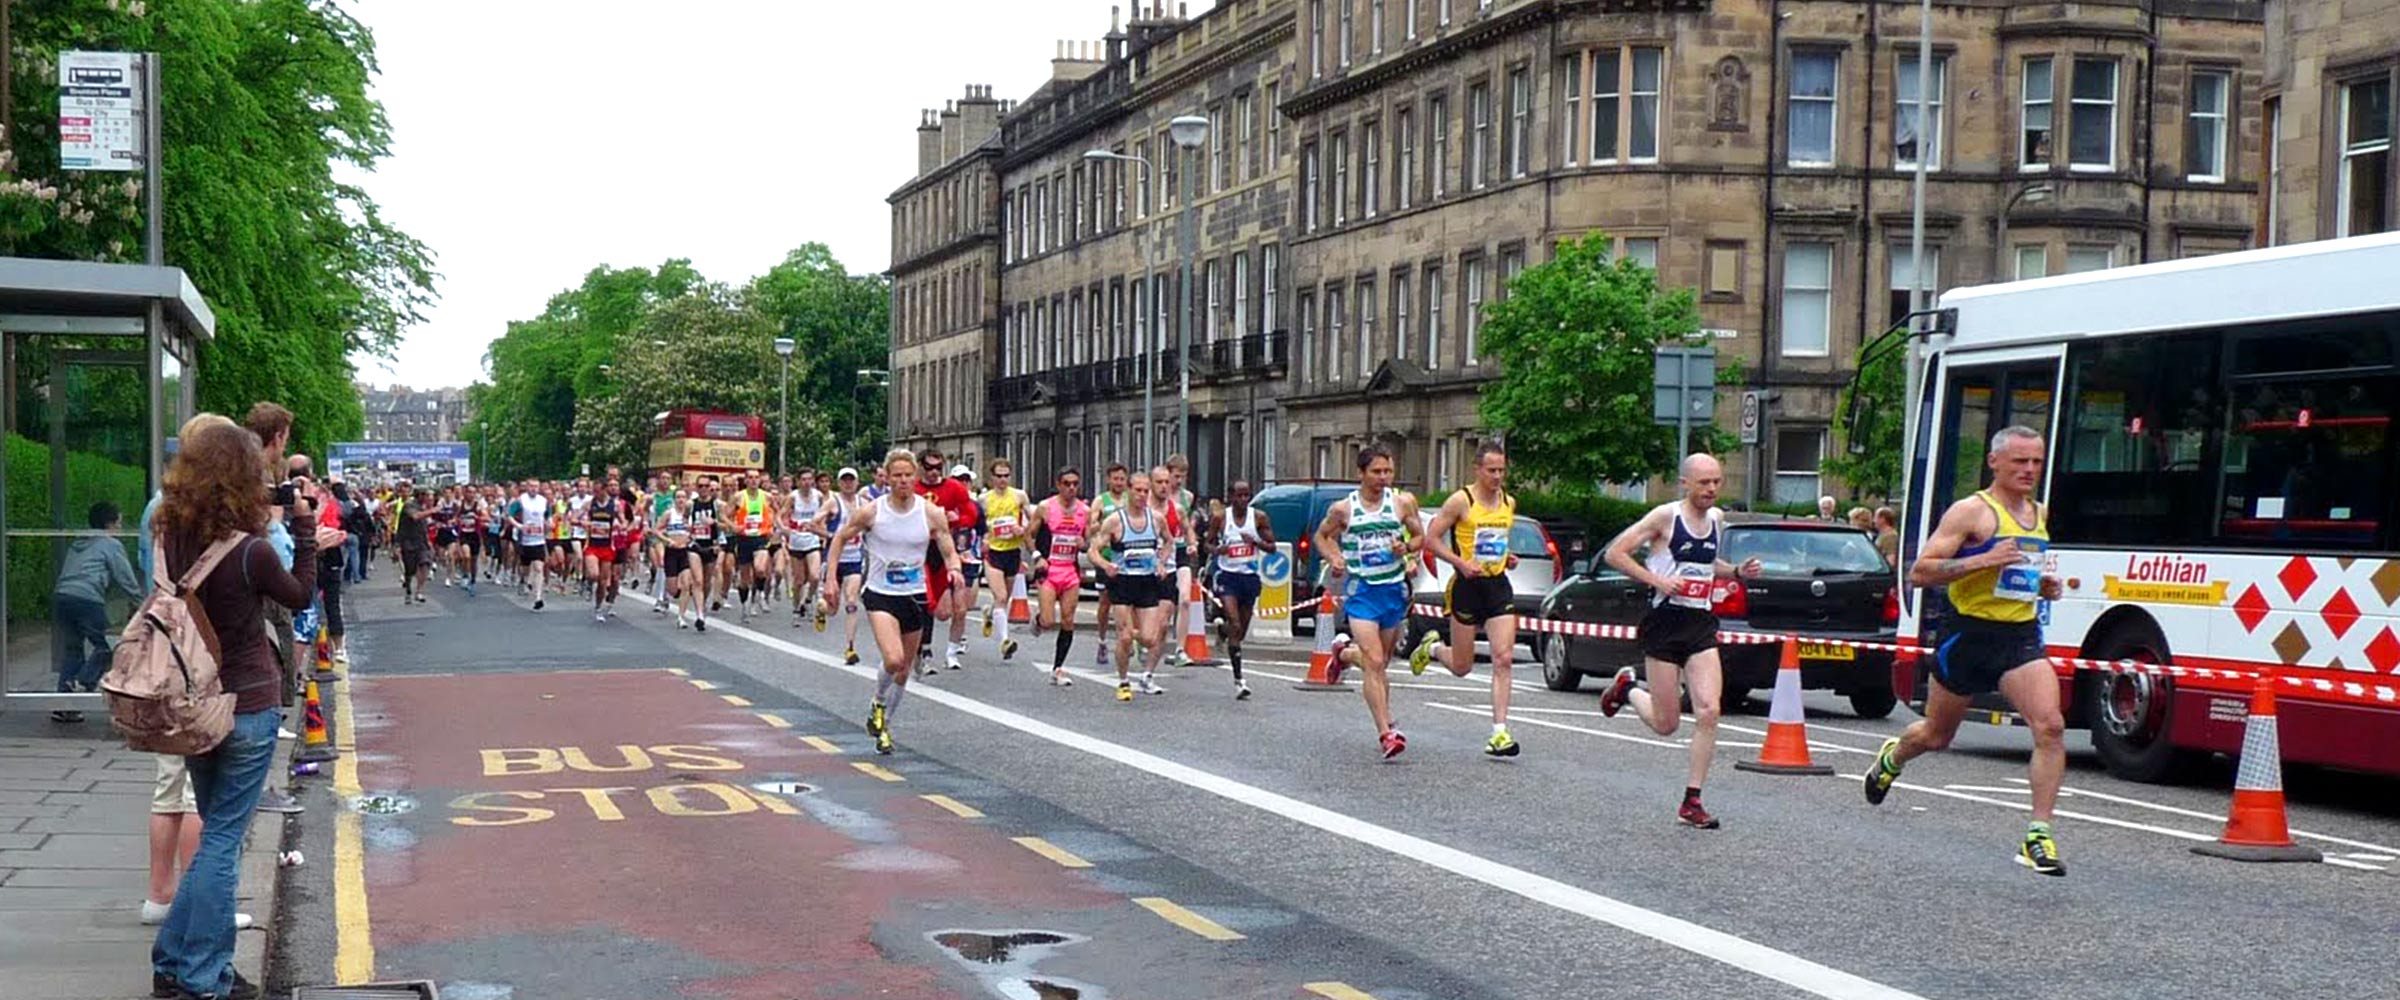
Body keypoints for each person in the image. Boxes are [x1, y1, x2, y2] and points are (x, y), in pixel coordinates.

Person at [150, 414, 317, 1000]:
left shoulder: (170, 538)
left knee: (217, 832)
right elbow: (300, 600)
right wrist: (304, 532)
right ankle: (203, 978)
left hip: (194, 705)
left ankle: (172, 962)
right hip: (247, 705)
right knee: (223, 841)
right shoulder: (251, 552)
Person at [1864, 426, 2069, 876]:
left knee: (2050, 726)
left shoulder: (2040, 512)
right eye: (2019, 461)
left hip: (2019, 636)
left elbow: (2021, 575)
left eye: (2036, 461)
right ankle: (1892, 758)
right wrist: (1983, 559)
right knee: (1937, 736)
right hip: (1967, 637)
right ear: (1995, 462)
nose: (2029, 470)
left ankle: (2039, 833)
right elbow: (1920, 572)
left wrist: (2042, 586)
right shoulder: (1971, 512)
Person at [1597, 453, 1764, 829]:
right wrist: (1657, 581)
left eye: (1717, 482)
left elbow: (1708, 567)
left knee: (1709, 710)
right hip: (1664, 622)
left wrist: (1736, 572)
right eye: (1704, 483)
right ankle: (1628, 692)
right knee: (1666, 723)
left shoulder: (1718, 520)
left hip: (1700, 624)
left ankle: (1692, 800)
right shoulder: (1664, 517)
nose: (1711, 490)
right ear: (1684, 483)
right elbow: (1615, 553)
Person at [824, 449, 967, 755]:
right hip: (880, 594)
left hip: (914, 595)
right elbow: (839, 538)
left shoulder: (930, 512)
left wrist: (954, 568)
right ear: (886, 478)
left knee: (904, 671)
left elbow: (947, 547)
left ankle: (884, 724)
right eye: (896, 476)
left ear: (915, 478)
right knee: (893, 659)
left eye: (907, 475)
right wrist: (830, 577)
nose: (902, 481)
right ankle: (877, 699)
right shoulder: (872, 512)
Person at [1409, 442, 1525, 757]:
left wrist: (1508, 557)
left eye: (1502, 470)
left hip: (1498, 585)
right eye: (1492, 470)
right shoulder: (1461, 501)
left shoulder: (1508, 502)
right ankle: (1432, 647)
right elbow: (1431, 540)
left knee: (1503, 658)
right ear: (1477, 469)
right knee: (1462, 666)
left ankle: (1499, 732)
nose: (1498, 477)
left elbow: (1497, 542)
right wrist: (1459, 563)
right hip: (1466, 586)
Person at [1314, 444, 1424, 758]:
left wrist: (1408, 551)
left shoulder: (1402, 503)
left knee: (1381, 662)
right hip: (1362, 591)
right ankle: (1386, 732)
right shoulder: (1343, 510)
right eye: (1376, 472)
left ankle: (1344, 654)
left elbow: (1419, 537)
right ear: (1361, 473)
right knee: (1375, 662)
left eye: (1388, 471)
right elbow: (1322, 536)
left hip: (1391, 591)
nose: (1383, 477)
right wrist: (1335, 557)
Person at [49, 501, 142, 723]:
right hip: (86, 598)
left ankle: (65, 705)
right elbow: (125, 578)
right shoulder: (109, 543)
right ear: (110, 524)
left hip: (62, 597)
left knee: (73, 649)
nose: (120, 527)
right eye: (119, 522)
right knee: (109, 644)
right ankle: (82, 683)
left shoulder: (79, 542)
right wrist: (143, 602)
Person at [1087, 468, 1175, 702]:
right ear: (1128, 491)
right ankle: (1124, 681)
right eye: (1137, 490)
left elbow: (1169, 541)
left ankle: (1127, 636)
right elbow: (1093, 551)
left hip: (1147, 581)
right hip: (1123, 582)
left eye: (1146, 491)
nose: (1142, 495)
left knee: (1148, 638)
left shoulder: (1156, 519)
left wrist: (1161, 562)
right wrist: (1106, 565)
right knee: (1125, 638)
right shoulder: (1115, 520)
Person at [1205, 479, 1273, 700]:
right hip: (1228, 576)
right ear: (1231, 497)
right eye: (1239, 496)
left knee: (1239, 632)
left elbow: (1272, 547)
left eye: (1246, 496)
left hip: (1249, 578)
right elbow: (1206, 544)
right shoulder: (1221, 518)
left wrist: (1255, 542)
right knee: (1235, 621)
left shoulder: (1259, 517)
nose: (1243, 500)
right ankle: (1239, 680)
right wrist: (1218, 550)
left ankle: (1223, 632)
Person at [915, 449, 981, 672]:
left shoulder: (953, 488)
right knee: (930, 606)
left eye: (938, 468)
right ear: (920, 468)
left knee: (955, 609)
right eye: (929, 468)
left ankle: (952, 652)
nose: (934, 473)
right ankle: (924, 651)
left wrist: (956, 518)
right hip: (920, 552)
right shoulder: (913, 489)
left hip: (948, 552)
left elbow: (971, 515)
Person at [1028, 467, 1090, 687]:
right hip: (1050, 569)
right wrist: (1037, 557)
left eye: (1075, 484)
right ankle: (1037, 621)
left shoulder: (1084, 511)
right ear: (1058, 484)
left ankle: (1058, 668)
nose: (1071, 488)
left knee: (1068, 620)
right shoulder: (1046, 508)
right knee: (1048, 621)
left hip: (1070, 571)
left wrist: (1084, 545)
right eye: (1067, 484)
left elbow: (1088, 541)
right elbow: (1029, 535)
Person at [976, 458, 1032, 661]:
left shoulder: (1019, 496)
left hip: (1012, 551)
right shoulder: (984, 499)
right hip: (993, 552)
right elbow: (977, 524)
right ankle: (1005, 642)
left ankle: (989, 613)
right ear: (992, 478)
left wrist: (1022, 529)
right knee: (1000, 597)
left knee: (1003, 599)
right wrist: (984, 535)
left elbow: (1033, 522)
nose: (1002, 480)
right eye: (998, 476)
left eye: (1006, 476)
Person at [824, 468, 869, 661]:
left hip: (854, 560)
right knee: (832, 609)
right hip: (834, 561)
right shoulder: (833, 502)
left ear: (857, 482)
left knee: (852, 601)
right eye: (844, 480)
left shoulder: (865, 504)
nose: (848, 483)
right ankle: (821, 608)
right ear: (839, 483)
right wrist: (831, 536)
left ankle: (850, 647)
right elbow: (814, 523)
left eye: (851, 480)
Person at [729, 472, 777, 621]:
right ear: (746, 481)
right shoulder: (738, 497)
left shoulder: (767, 497)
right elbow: (724, 515)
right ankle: (745, 606)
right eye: (750, 478)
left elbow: (778, 511)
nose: (754, 481)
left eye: (756, 478)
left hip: (760, 538)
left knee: (760, 569)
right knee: (744, 580)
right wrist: (733, 526)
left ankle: (760, 594)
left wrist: (771, 526)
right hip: (744, 539)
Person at [505, 479, 553, 611]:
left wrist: (549, 523)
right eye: (531, 486)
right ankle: (525, 580)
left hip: (539, 540)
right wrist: (519, 526)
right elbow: (509, 515)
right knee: (525, 569)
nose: (534, 489)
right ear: (527, 487)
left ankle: (538, 598)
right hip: (524, 540)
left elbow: (548, 515)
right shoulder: (521, 500)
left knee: (538, 567)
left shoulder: (543, 501)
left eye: (536, 486)